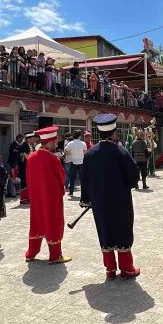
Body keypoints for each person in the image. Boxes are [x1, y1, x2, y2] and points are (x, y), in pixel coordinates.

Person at [79, 114, 142, 278]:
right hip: (120, 199)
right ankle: (127, 268)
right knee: (122, 230)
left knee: (105, 230)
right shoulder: (120, 150)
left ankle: (110, 269)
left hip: (99, 201)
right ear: (114, 132)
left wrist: (87, 198)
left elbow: (84, 178)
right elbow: (134, 173)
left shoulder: (91, 153)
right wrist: (127, 185)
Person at [25, 126, 71, 265]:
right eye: (55, 141)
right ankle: (55, 255)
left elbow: (28, 179)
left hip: (36, 196)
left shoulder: (31, 157)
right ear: (50, 142)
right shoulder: (53, 160)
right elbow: (61, 178)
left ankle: (31, 252)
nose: (56, 144)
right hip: (51, 197)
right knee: (54, 223)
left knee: (36, 222)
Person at [65, 130, 87, 197]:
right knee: (82, 179)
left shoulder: (70, 143)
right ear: (80, 136)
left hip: (73, 162)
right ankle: (83, 193)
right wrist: (81, 155)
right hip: (81, 162)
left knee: (72, 178)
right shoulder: (83, 143)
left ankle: (71, 192)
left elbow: (66, 150)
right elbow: (85, 152)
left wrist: (70, 154)